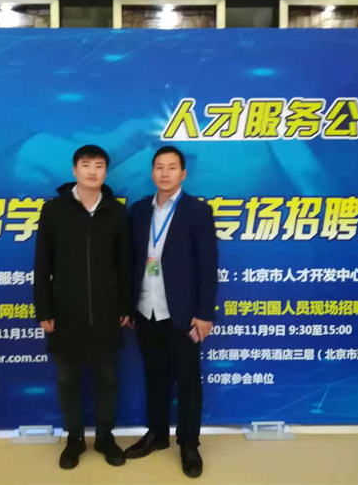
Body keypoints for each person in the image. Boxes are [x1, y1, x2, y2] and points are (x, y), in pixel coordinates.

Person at [34, 144, 132, 470]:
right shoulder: (54, 210)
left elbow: (125, 265)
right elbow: (42, 264)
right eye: (86, 164)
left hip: (106, 313)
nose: (92, 171)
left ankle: (105, 438)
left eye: (99, 165)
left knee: (107, 381)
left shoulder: (116, 212)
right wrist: (44, 310)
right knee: (68, 382)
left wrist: (125, 305)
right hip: (65, 313)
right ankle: (74, 439)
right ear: (75, 170)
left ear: (106, 171)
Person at [125, 145, 218, 478]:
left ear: (183, 174)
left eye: (172, 167)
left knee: (188, 379)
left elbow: (208, 266)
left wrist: (204, 313)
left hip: (183, 312)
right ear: (152, 173)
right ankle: (157, 434)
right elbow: (131, 262)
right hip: (146, 309)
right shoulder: (138, 211)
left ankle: (189, 443)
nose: (165, 173)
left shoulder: (197, 211)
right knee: (155, 376)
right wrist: (128, 306)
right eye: (159, 167)